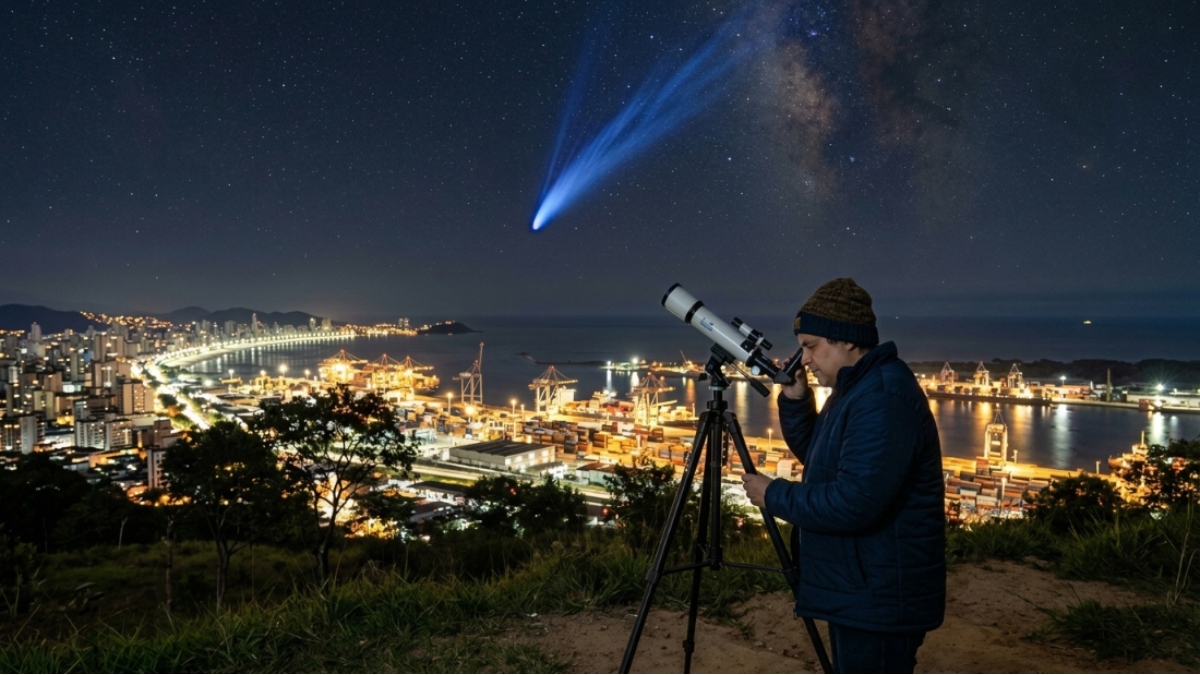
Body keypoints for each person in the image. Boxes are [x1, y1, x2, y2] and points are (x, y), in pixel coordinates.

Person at [741, 278, 945, 674]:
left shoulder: (881, 397)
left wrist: (774, 494)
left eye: (811, 346)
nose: (803, 360)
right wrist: (797, 403)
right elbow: (825, 462)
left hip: (878, 594)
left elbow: (854, 502)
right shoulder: (857, 389)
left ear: (848, 340)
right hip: (864, 584)